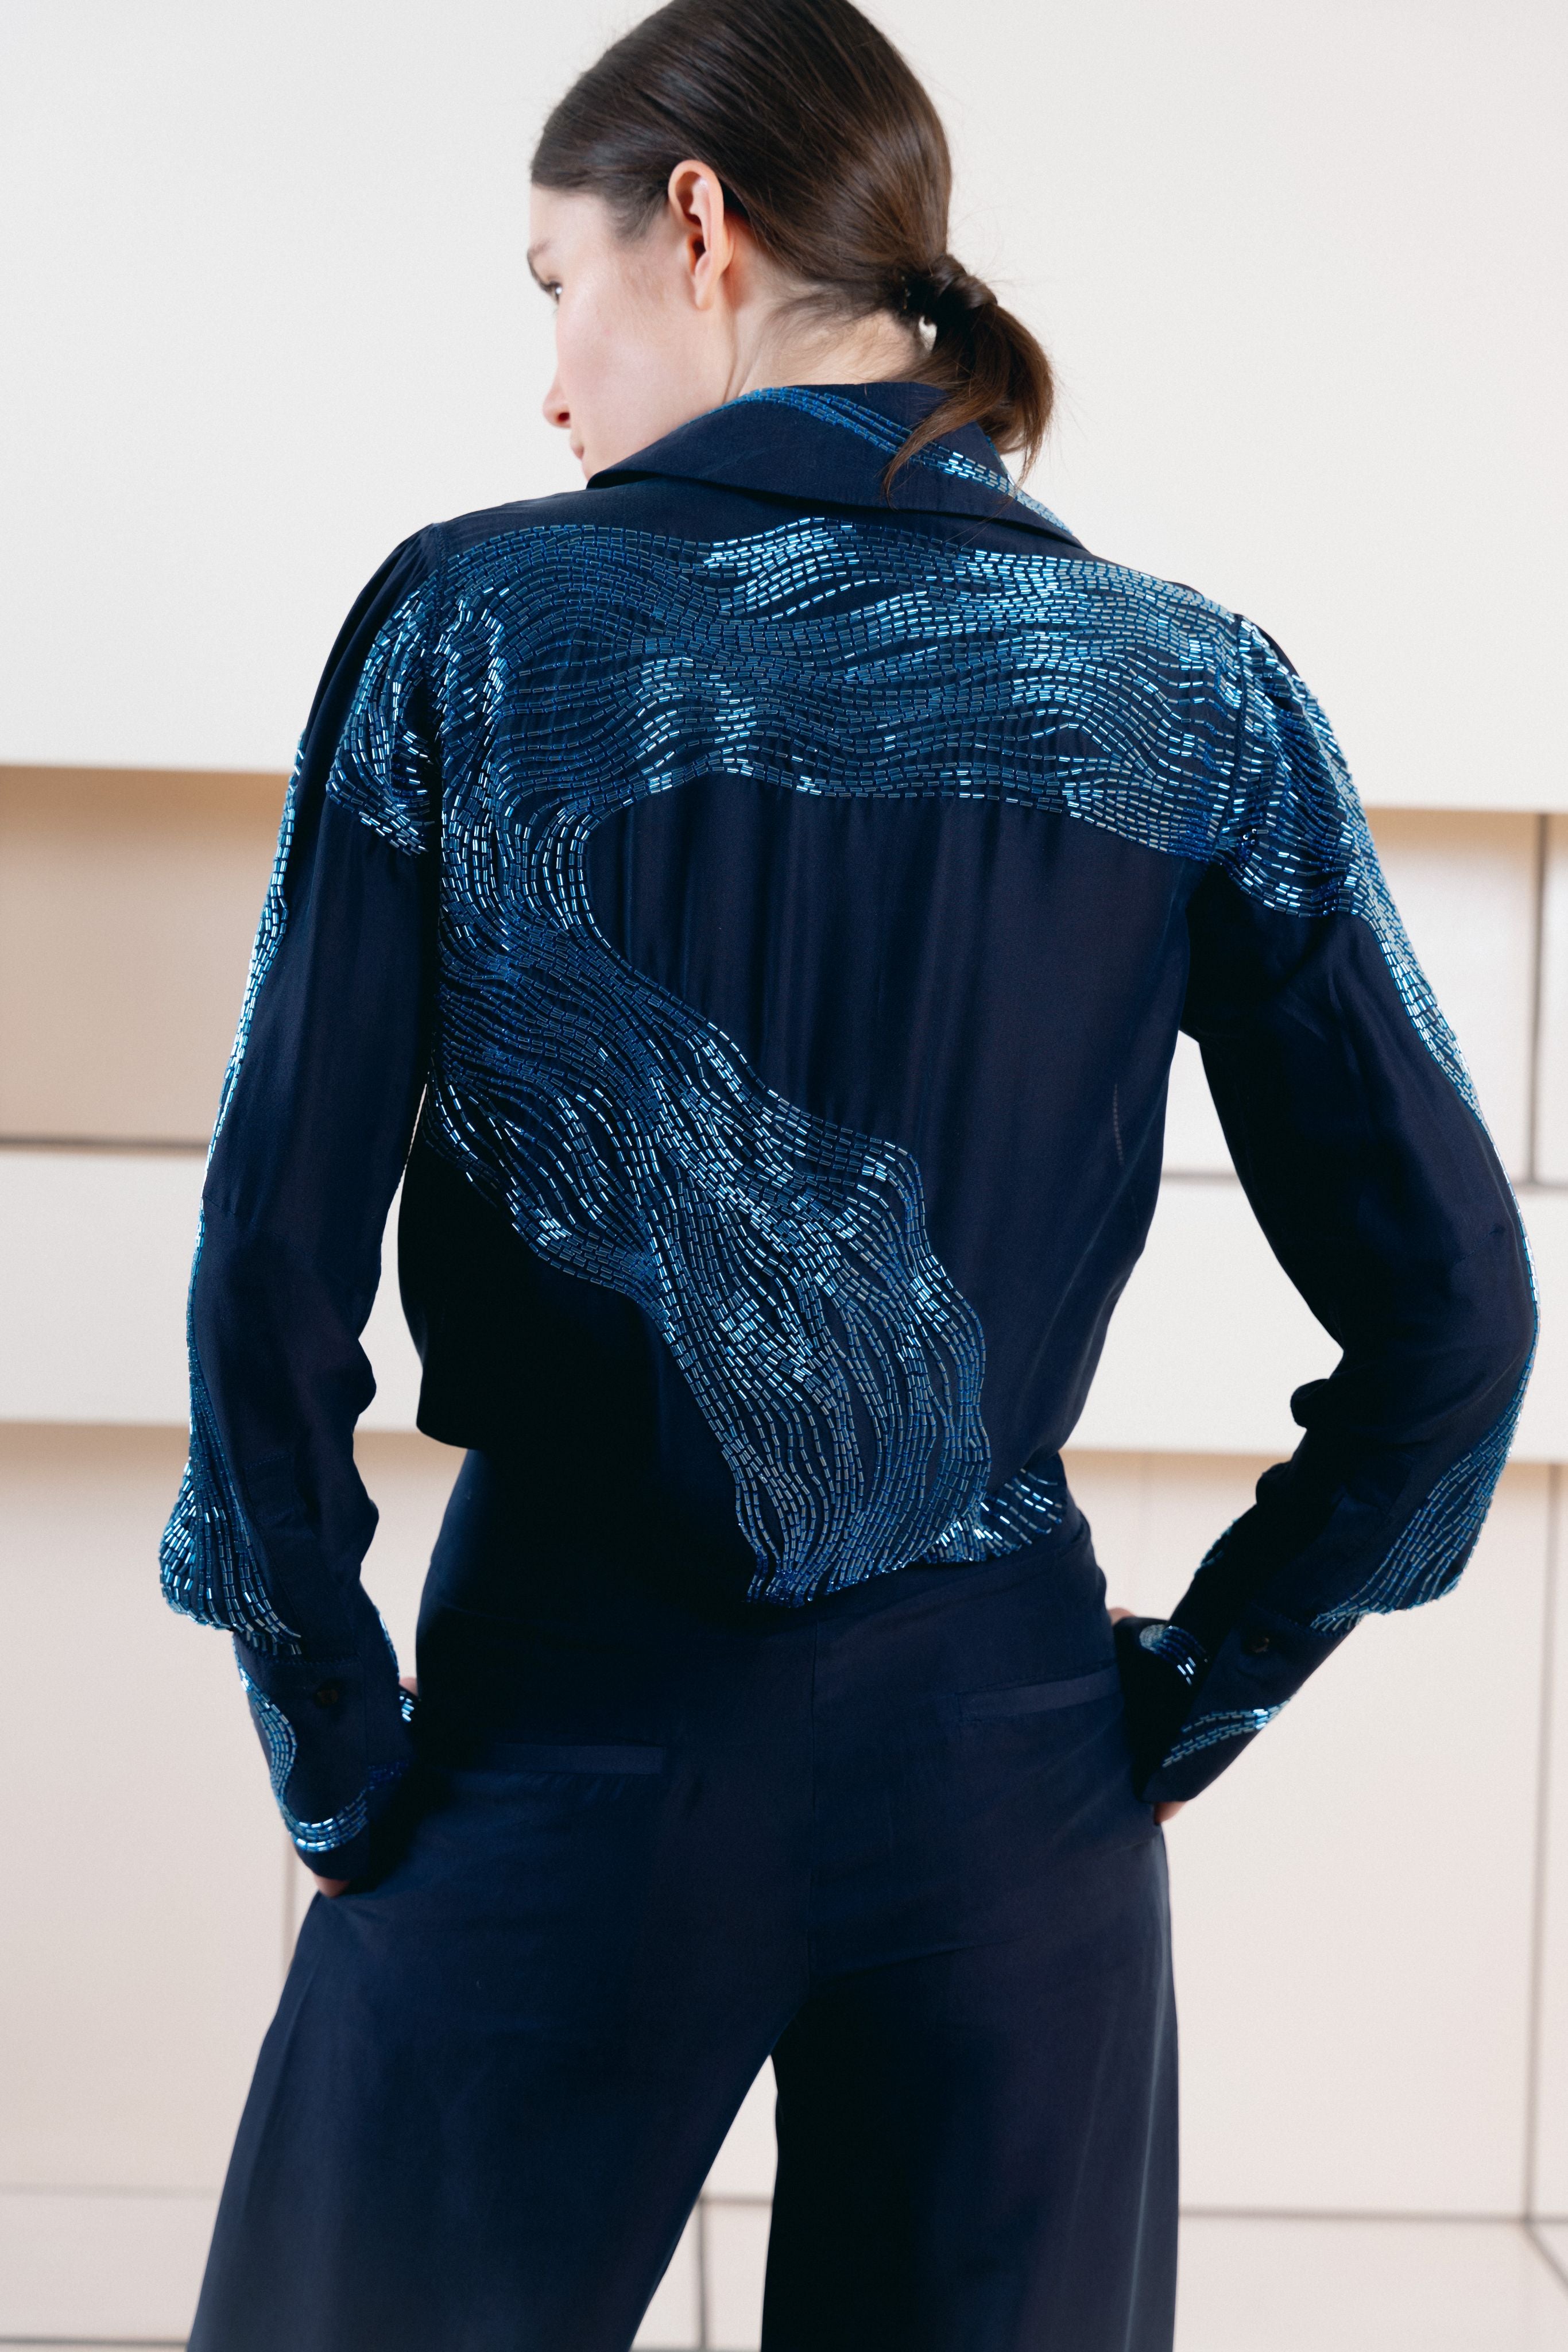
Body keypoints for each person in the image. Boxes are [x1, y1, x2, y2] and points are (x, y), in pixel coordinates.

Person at [162, 1, 1535, 2345]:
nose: (552, 381)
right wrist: (1194, 1692)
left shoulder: (468, 623)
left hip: (554, 1737)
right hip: (1009, 1772)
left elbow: (267, 1263)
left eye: (553, 284)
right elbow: (1458, 1320)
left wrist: (328, 1739)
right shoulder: (1192, 690)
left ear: (693, 225)